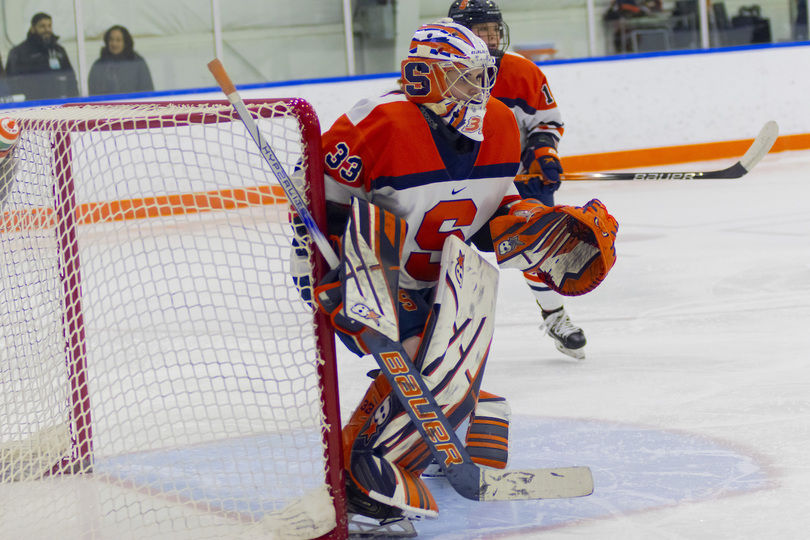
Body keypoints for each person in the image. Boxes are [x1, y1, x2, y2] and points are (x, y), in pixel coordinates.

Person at [303, 19, 617, 532]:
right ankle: (357, 485)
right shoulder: (376, 124)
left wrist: (527, 221)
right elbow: (317, 211)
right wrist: (325, 276)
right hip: (370, 276)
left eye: (482, 76)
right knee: (414, 364)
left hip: (440, 278)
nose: (481, 88)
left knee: (449, 376)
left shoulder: (496, 122)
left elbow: (492, 205)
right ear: (424, 78)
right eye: (465, 77)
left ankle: (458, 418)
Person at [449, 0, 590, 360]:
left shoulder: (522, 73)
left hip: (512, 181)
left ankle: (555, 316)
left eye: (494, 30)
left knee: (535, 244)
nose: (490, 38)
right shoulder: (440, 74)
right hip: (454, 185)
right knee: (442, 257)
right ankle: (440, 333)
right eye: (481, 32)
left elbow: (545, 122)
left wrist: (543, 154)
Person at [5, 12, 79, 101]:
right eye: (42, 26)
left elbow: (71, 79)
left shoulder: (59, 51)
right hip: (31, 106)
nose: (47, 29)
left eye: (49, 26)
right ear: (33, 28)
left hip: (58, 104)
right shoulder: (19, 52)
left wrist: (74, 101)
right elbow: (11, 83)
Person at [88, 25, 154, 96]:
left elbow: (148, 90)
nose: (114, 43)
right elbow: (93, 92)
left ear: (125, 42)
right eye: (111, 40)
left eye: (118, 40)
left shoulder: (137, 63)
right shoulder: (99, 65)